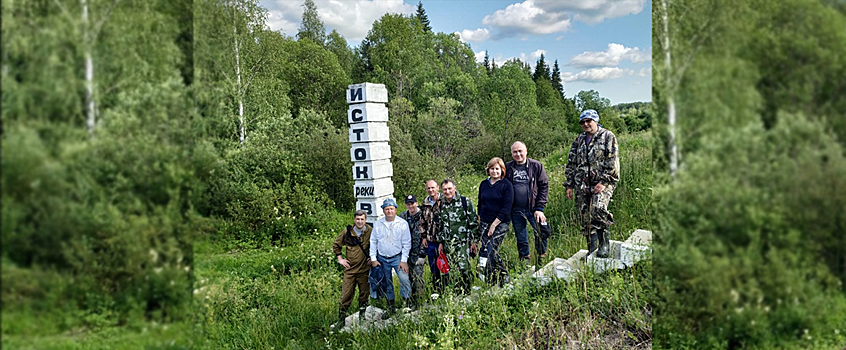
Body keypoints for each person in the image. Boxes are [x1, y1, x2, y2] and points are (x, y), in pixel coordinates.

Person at [564, 109, 620, 258]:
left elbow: (612, 161)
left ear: (595, 121)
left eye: (589, 121)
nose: (586, 124)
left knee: (598, 209)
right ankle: (592, 249)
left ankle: (604, 244)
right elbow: (571, 162)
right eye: (582, 122)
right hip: (582, 184)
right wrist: (569, 184)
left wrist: (603, 181)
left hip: (603, 182)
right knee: (585, 216)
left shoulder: (608, 136)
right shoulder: (579, 140)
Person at [505, 141, 550, 264]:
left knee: (541, 233)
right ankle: (525, 263)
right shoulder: (507, 167)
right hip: (515, 210)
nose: (518, 154)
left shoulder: (536, 166)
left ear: (526, 151)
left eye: (520, 151)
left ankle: (541, 258)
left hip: (534, 208)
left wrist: (540, 208)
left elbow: (544, 186)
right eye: (515, 152)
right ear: (512, 153)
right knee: (521, 237)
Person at [369, 198, 412, 319]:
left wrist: (404, 260)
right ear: (383, 210)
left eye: (391, 209)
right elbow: (373, 242)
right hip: (382, 258)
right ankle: (390, 307)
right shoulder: (378, 224)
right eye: (387, 209)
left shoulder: (402, 224)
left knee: (404, 279)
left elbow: (407, 243)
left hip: (397, 257)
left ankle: (406, 305)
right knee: (387, 282)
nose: (389, 211)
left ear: (395, 210)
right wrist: (373, 258)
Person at [331, 210, 372, 331]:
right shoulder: (347, 232)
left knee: (364, 293)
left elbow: (377, 244)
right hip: (350, 270)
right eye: (357, 219)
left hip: (364, 269)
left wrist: (373, 257)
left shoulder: (370, 231)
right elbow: (336, 245)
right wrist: (340, 259)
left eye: (362, 219)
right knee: (346, 295)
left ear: (365, 220)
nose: (360, 222)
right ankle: (341, 319)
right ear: (354, 220)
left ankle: (362, 316)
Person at [437, 179, 479, 294]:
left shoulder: (465, 202)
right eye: (445, 189)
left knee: (464, 268)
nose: (447, 191)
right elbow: (440, 225)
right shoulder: (441, 205)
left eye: (449, 188)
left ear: (454, 188)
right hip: (448, 244)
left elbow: (473, 223)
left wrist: (474, 242)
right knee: (451, 270)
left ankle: (468, 292)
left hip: (462, 243)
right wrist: (440, 243)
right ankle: (456, 294)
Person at [477, 157, 514, 286]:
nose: (494, 171)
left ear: (502, 170)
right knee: (484, 250)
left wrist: (494, 225)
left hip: (500, 222)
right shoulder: (483, 184)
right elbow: (480, 204)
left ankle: (504, 275)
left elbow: (507, 207)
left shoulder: (506, 185)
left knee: (492, 248)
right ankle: (490, 280)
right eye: (492, 168)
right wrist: (479, 220)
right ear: (488, 170)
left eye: (497, 169)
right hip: (484, 221)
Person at [398, 194, 425, 309]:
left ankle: (418, 303)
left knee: (417, 279)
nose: (410, 206)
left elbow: (426, 235)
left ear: (416, 203)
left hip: (418, 252)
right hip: (405, 254)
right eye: (408, 204)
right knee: (406, 279)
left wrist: (422, 255)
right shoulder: (402, 216)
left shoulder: (423, 216)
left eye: (412, 203)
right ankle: (407, 302)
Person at [419, 180, 446, 294]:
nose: (431, 190)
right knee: (433, 267)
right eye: (428, 188)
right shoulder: (425, 203)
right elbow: (422, 221)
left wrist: (442, 241)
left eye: (433, 188)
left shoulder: (444, 201)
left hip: (443, 241)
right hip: (430, 241)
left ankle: (447, 290)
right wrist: (424, 237)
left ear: (437, 188)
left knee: (445, 267)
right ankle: (437, 291)